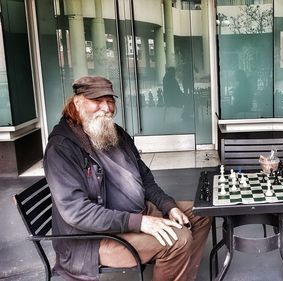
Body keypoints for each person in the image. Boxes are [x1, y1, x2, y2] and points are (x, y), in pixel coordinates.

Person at [43, 75, 211, 281]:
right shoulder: (61, 148)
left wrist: (168, 206)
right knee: (179, 239)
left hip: (134, 214)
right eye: (97, 101)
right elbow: (78, 213)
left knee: (201, 213)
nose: (106, 107)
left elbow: (145, 178)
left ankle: (181, 275)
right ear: (77, 102)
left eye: (110, 100)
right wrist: (141, 223)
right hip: (93, 239)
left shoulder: (115, 134)